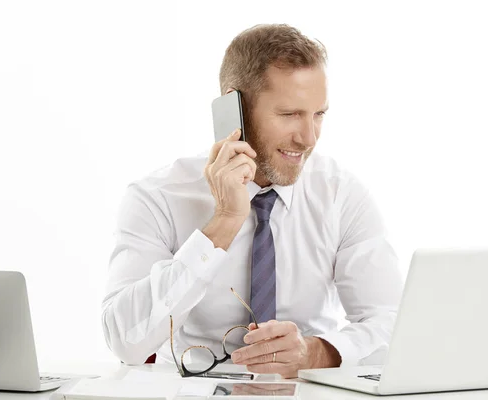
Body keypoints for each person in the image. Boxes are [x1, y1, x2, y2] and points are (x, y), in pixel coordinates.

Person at [102, 23, 402, 378]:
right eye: (290, 114)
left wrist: (315, 352)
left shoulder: (340, 194)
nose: (308, 138)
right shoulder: (157, 197)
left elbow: (394, 326)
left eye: (318, 114)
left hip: (306, 390)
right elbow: (126, 342)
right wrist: (224, 222)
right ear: (236, 107)